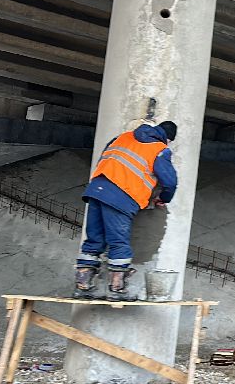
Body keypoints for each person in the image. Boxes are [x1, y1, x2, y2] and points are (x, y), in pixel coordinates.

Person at [74, 121, 178, 301]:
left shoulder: (123, 137)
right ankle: (117, 289)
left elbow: (104, 159)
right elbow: (170, 182)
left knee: (94, 240)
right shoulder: (160, 149)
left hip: (97, 190)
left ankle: (82, 287)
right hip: (121, 196)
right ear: (167, 139)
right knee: (118, 242)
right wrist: (163, 198)